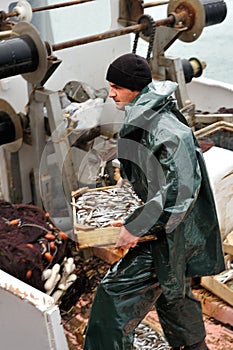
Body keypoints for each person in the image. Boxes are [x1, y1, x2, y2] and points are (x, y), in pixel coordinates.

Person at [83, 53, 225, 350]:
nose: (111, 93)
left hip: (169, 235)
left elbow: (179, 191)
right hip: (171, 229)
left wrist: (136, 226)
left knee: (113, 299)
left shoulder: (166, 130)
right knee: (173, 293)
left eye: (116, 87)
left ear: (134, 88)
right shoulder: (147, 114)